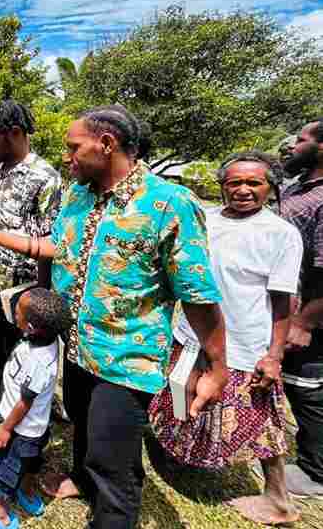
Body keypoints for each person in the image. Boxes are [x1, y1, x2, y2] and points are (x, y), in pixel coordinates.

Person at [0, 105, 229, 529]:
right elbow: (57, 247)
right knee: (82, 422)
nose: (67, 157)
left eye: (73, 148)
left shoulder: (169, 204)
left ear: (106, 144)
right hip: (77, 346)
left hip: (126, 359)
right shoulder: (78, 194)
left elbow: (197, 295)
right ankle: (81, 481)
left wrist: (217, 366)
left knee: (112, 463)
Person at [149, 152, 302, 526]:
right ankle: (181, 455)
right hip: (192, 332)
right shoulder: (205, 220)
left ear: (270, 187)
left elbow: (282, 301)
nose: (243, 190)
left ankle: (278, 499)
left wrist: (274, 355)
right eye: (235, 182)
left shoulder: (281, 234)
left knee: (260, 420)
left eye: (254, 183)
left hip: (244, 342)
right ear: (222, 186)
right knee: (181, 393)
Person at [0, 100, 62, 429]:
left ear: (16, 133)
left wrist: (42, 296)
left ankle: (27, 415)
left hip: (23, 290)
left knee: (25, 355)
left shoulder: (45, 178)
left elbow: (50, 241)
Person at [0, 287, 72, 528]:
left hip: (20, 430)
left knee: (5, 472)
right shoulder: (48, 340)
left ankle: (0, 516)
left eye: (17, 311)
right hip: (37, 428)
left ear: (31, 327)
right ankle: (28, 492)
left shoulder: (37, 361)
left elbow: (25, 402)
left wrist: (6, 428)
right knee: (30, 463)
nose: (13, 311)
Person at [279, 117, 323, 499]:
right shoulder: (299, 187)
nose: (292, 145)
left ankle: (315, 471)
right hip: (286, 307)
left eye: (301, 139)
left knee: (307, 387)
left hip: (310, 313)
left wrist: (305, 322)